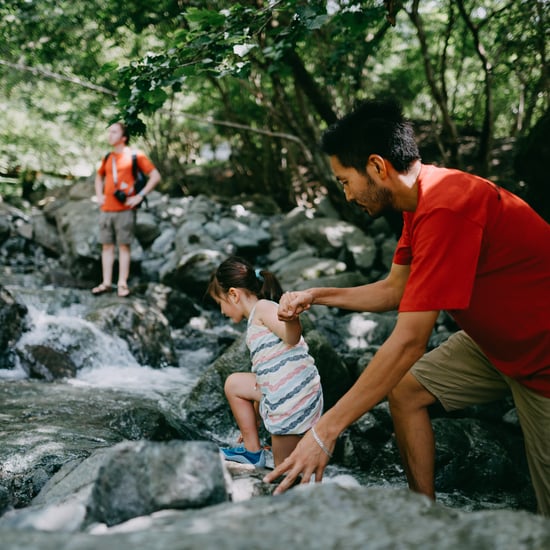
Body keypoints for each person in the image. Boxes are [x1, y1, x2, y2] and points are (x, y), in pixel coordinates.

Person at [263, 98, 550, 516]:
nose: (346, 195)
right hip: (497, 345)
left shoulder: (447, 207)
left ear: (377, 167)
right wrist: (317, 295)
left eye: (345, 181)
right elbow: (395, 291)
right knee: (407, 388)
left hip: (542, 360)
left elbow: (410, 341)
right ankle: (425, 518)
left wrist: (324, 432)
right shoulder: (418, 203)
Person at [207, 256, 324, 468]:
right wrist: (257, 413)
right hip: (283, 390)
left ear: (233, 294)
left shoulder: (263, 308)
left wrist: (291, 319)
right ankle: (252, 451)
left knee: (286, 477)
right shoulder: (256, 318)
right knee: (234, 384)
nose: (222, 312)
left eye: (219, 304)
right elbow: (266, 372)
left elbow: (292, 337)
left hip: (292, 398)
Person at [92, 121, 161, 297]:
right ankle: (106, 283)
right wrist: (99, 195)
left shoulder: (135, 156)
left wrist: (140, 196)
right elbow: (99, 178)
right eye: (109, 132)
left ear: (124, 137)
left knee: (124, 246)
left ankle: (122, 283)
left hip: (125, 210)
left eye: (114, 132)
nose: (110, 135)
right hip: (106, 210)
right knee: (106, 246)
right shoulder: (107, 158)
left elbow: (155, 176)